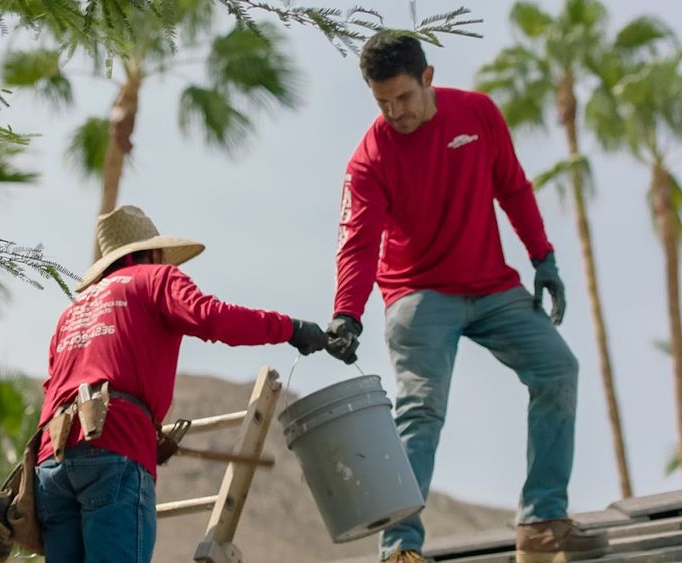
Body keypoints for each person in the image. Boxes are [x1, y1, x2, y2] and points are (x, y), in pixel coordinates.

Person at [324, 31, 608, 563]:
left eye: (404, 97)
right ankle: (400, 550)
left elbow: (514, 188)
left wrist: (543, 259)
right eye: (382, 102)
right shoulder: (369, 158)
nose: (395, 112)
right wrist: (346, 314)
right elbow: (358, 244)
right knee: (420, 408)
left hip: (491, 285)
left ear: (428, 77)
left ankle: (543, 522)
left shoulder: (476, 115)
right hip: (417, 293)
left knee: (558, 369)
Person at [35, 205, 327, 562]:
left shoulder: (72, 312)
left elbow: (54, 387)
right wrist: (290, 328)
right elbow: (212, 317)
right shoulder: (156, 279)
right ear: (154, 252)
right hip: (113, 444)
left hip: (51, 461)